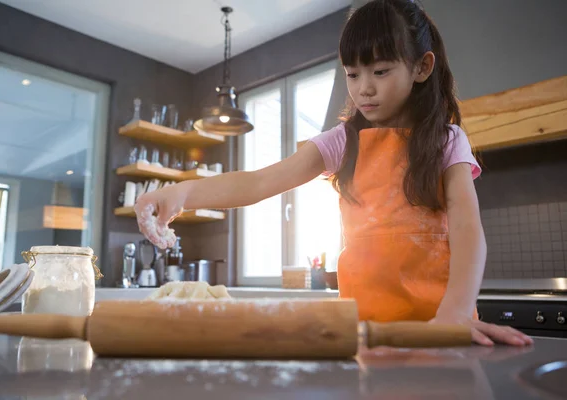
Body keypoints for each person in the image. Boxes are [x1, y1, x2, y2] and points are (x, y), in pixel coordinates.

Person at [135, 0, 533, 347]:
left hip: (443, 329)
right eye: (353, 74)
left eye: (380, 71)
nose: (364, 89)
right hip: (364, 334)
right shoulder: (343, 141)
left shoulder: (447, 140)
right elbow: (258, 182)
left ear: (421, 68)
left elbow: (467, 228)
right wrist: (183, 193)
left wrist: (458, 312)